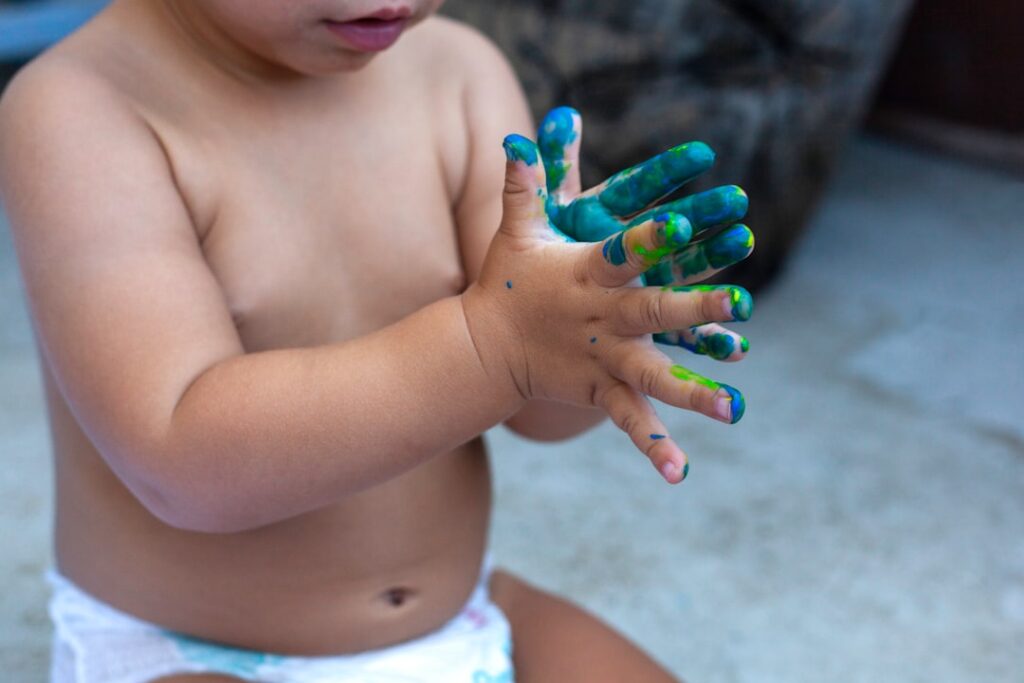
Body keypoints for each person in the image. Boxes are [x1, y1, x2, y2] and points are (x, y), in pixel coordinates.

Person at [0, 1, 754, 681]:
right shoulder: (81, 111)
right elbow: (181, 465)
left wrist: (588, 327)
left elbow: (536, 409)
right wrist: (492, 342)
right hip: (187, 651)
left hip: (464, 621)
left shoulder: (457, 76)